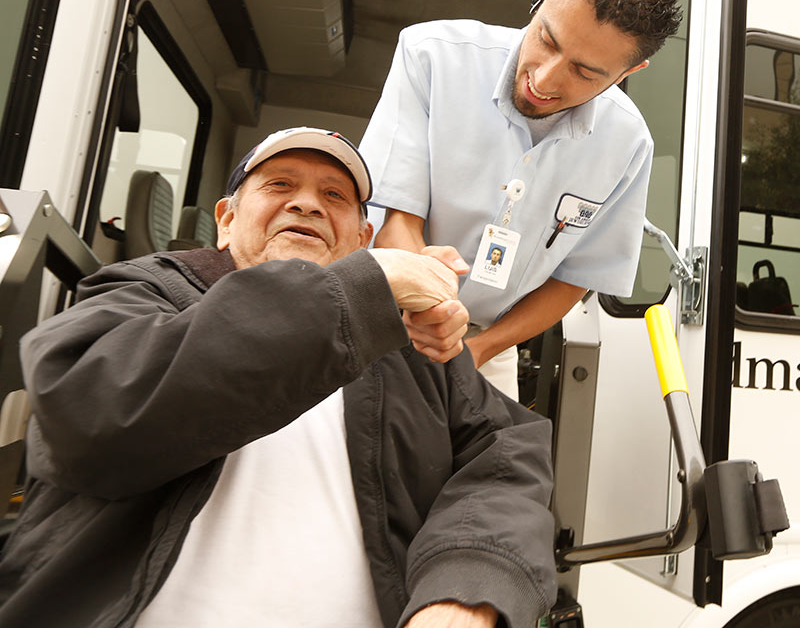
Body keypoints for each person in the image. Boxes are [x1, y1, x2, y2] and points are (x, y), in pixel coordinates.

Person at [0, 127, 557, 628]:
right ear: (226, 220)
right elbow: (91, 413)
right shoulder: (147, 293)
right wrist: (368, 284)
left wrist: (468, 589)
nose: (308, 204)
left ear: (362, 236)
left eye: (335, 196)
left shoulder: (415, 347)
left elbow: (507, 455)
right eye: (279, 184)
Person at [359, 0, 682, 399]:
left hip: (483, 345)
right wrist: (430, 308)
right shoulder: (431, 55)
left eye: (585, 72)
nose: (544, 79)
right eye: (546, 39)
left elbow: (578, 278)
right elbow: (397, 221)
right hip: (382, 311)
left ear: (629, 73)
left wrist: (481, 348)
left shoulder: (628, 145)